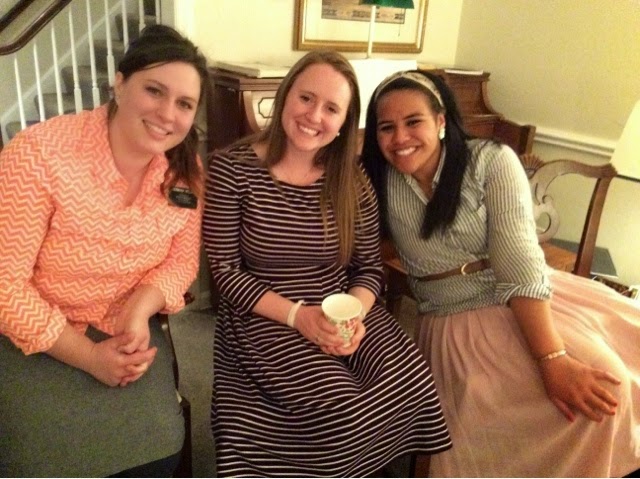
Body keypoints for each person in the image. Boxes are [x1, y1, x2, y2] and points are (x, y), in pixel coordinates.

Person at [361, 69, 640, 477]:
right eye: (387, 127)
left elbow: (519, 262)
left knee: (614, 379)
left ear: (440, 121)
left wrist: (552, 359)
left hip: (526, 296)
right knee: (576, 413)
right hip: (452, 317)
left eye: (413, 121)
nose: (400, 137)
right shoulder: (377, 179)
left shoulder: (490, 160)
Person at [202, 50, 452, 477]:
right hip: (264, 311)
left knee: (411, 379)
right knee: (340, 408)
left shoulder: (352, 178)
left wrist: (354, 316)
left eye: (331, 108)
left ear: (343, 123)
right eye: (306, 98)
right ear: (285, 95)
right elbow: (225, 272)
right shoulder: (233, 169)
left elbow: (368, 268)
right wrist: (299, 317)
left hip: (340, 306)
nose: (314, 116)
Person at [0, 24, 209, 477]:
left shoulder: (185, 170)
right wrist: (89, 357)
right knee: (46, 463)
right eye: (154, 90)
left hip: (128, 331)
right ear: (119, 82)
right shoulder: (38, 155)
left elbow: (181, 262)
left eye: (184, 103)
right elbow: (5, 287)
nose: (167, 114)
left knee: (158, 452)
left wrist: (140, 307)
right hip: (36, 335)